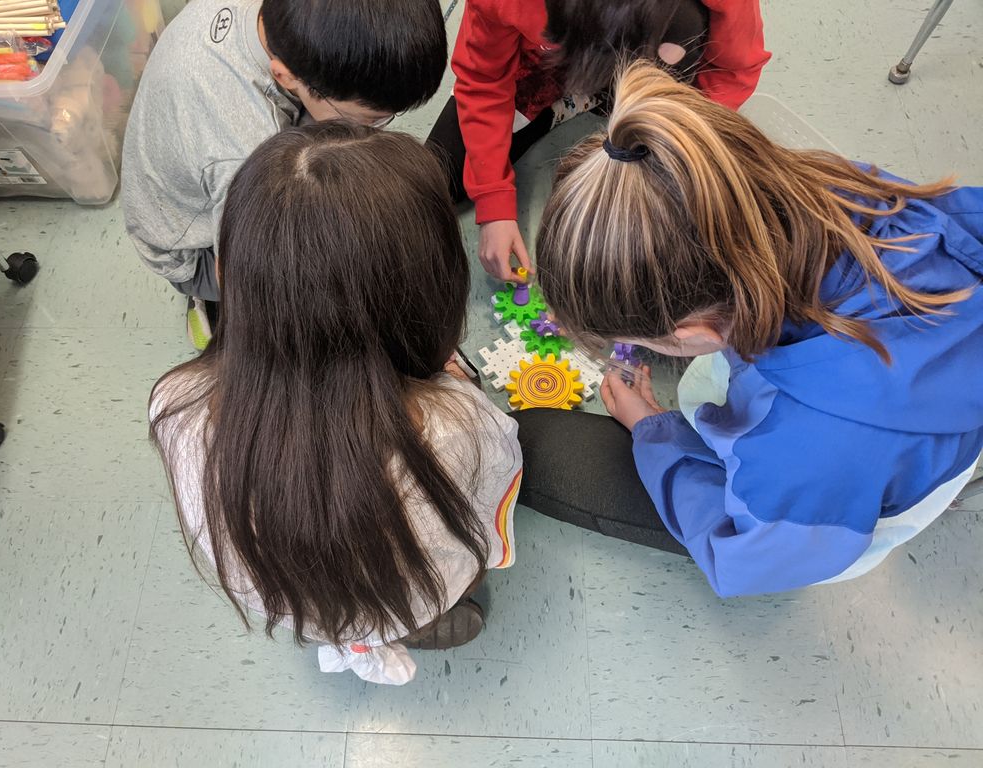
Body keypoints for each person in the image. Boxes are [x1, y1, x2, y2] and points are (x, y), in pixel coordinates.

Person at [527, 62, 983, 598]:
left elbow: (743, 558)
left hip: (837, 517)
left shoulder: (802, 463)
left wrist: (655, 431)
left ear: (694, 332)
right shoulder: (830, 185)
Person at [149, 124, 523, 684]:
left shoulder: (173, 403)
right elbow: (491, 515)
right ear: (435, 295)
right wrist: (457, 388)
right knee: (443, 574)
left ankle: (354, 631)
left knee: (362, 586)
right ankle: (410, 624)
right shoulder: (460, 424)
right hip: (414, 585)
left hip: (286, 598)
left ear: (228, 276)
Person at [122, 0, 447, 349]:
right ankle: (213, 307)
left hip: (201, 160)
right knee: (316, 277)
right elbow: (248, 271)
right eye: (373, 119)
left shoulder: (283, 20)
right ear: (285, 76)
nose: (376, 130)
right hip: (191, 248)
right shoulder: (243, 151)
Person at [428, 0, 770, 281]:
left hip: (657, 59)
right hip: (546, 61)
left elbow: (732, 72)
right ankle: (570, 97)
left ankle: (622, 92)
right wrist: (493, 203)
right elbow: (483, 80)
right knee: (440, 175)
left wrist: (676, 144)